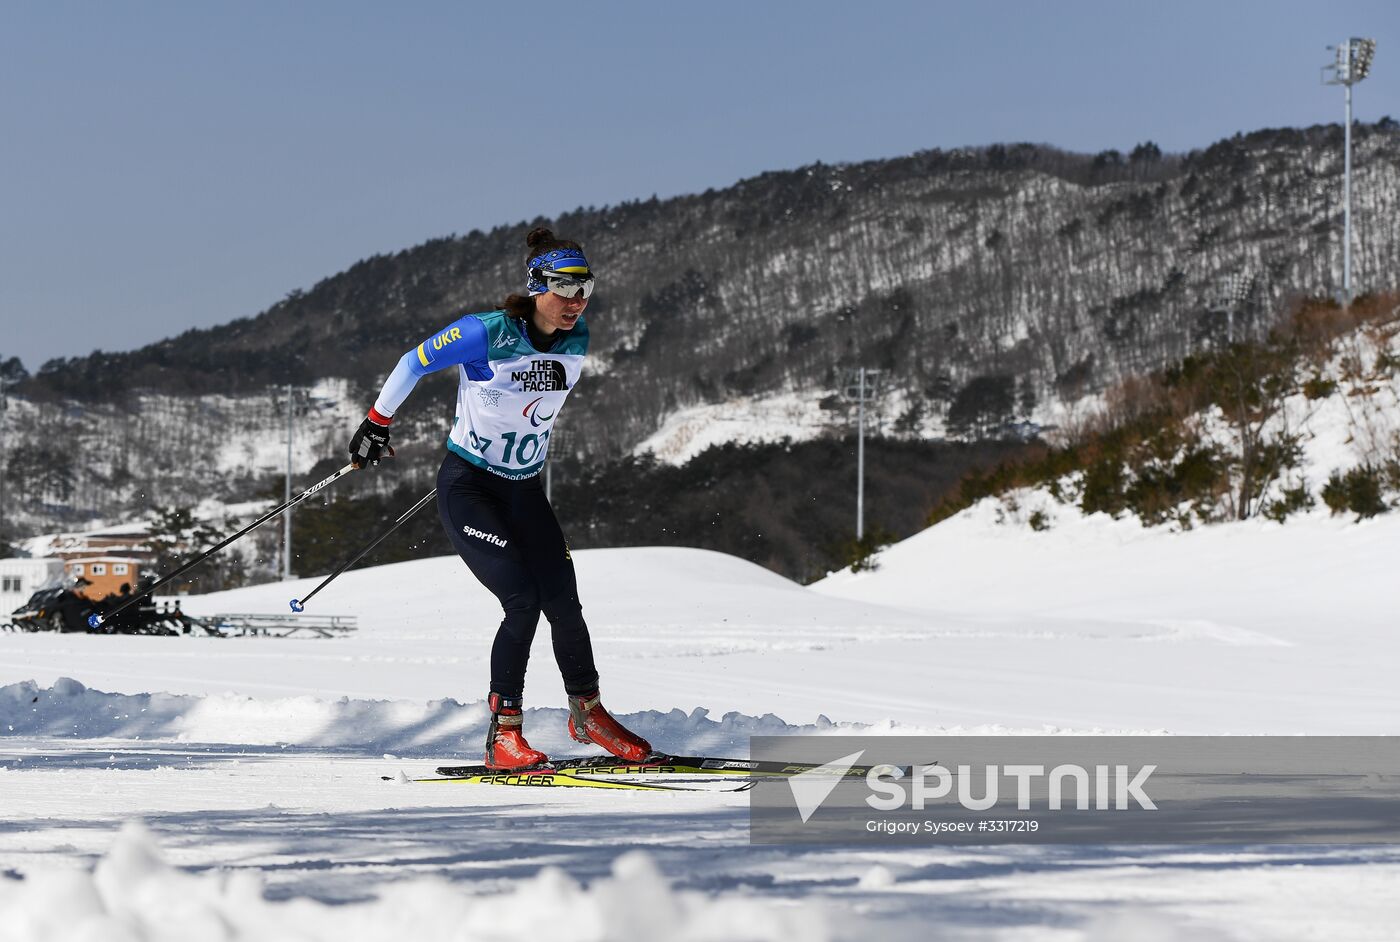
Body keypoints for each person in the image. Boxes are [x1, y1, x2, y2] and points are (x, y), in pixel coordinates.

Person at [347, 227, 651, 769]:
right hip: (470, 488)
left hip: (524, 490)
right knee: (523, 600)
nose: (575, 303)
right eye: (564, 289)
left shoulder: (575, 339)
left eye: (586, 291)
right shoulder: (486, 332)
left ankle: (588, 712)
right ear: (537, 287)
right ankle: (504, 733)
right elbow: (413, 361)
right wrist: (376, 424)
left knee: (564, 601)